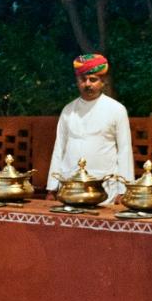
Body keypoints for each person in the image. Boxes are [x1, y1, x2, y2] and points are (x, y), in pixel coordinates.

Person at [46, 53, 134, 203]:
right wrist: (52, 188)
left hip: (104, 188)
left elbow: (124, 150)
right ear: (77, 81)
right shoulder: (68, 110)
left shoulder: (117, 110)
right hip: (69, 187)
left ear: (103, 82)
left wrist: (124, 190)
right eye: (83, 79)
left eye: (93, 79)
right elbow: (59, 149)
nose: (87, 84)